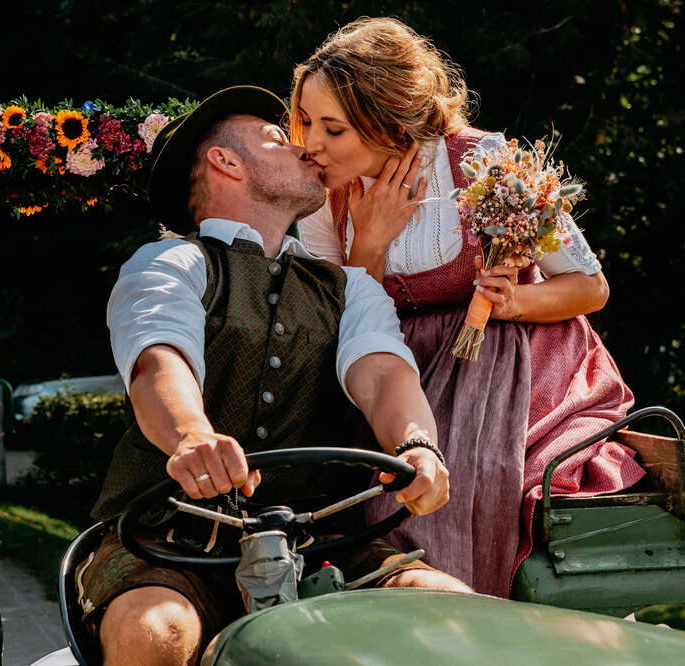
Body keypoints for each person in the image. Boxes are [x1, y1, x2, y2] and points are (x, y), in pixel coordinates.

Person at [81, 86, 471, 666]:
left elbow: (383, 374)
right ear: (226, 162)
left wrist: (416, 444)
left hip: (319, 546)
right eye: (277, 138)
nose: (306, 149)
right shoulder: (170, 262)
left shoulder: (348, 287)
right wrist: (190, 434)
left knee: (456, 612)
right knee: (154, 632)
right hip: (163, 543)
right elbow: (159, 359)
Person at [290, 17, 646, 598]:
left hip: (514, 366)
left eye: (334, 128)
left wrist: (514, 301)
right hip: (396, 371)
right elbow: (340, 324)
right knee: (383, 488)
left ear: (392, 124)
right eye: (306, 122)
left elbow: (590, 286)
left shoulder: (483, 161)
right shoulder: (321, 195)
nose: (311, 144)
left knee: (481, 481)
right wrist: (370, 246)